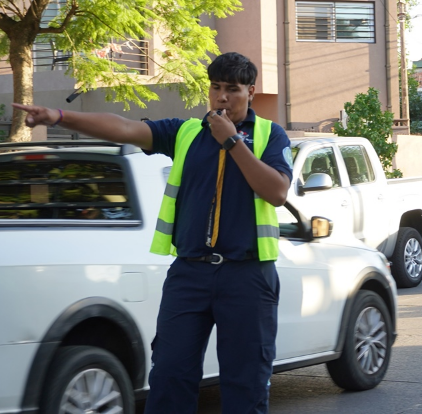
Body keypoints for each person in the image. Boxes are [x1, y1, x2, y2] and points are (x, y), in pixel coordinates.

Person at [13, 52, 292, 413]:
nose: (221, 97)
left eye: (232, 89)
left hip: (248, 275)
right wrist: (59, 116)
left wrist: (232, 142)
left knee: (245, 384)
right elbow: (125, 128)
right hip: (190, 274)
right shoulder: (187, 133)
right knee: (170, 376)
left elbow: (277, 192)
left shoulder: (271, 135)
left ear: (251, 91)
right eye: (215, 88)